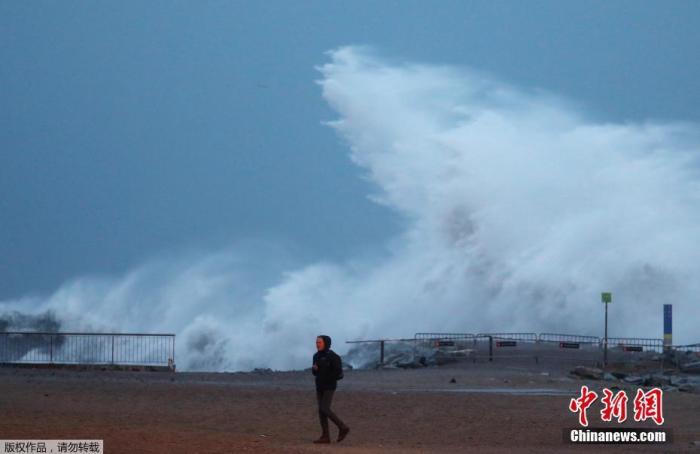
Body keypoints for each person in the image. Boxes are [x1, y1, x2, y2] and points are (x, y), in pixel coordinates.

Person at [312, 335, 350, 444]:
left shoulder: (334, 357)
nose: (317, 344)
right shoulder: (316, 356)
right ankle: (325, 436)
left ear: (326, 343)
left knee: (325, 408)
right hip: (319, 386)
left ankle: (343, 427)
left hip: (329, 386)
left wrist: (327, 376)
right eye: (316, 342)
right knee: (321, 411)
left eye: (319, 342)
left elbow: (339, 374)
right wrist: (315, 369)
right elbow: (314, 373)